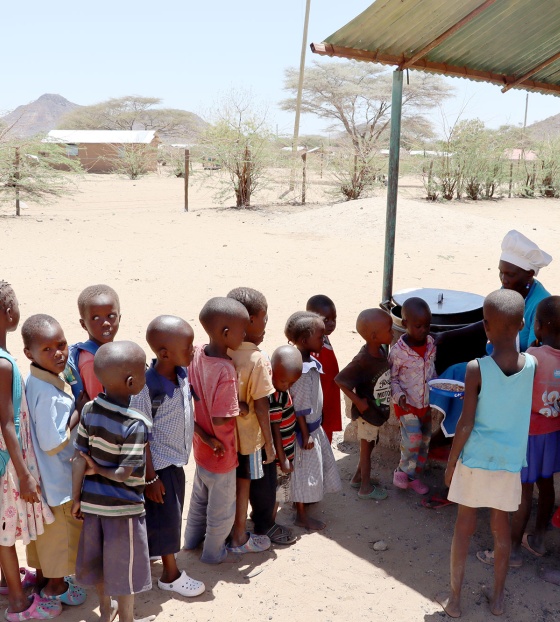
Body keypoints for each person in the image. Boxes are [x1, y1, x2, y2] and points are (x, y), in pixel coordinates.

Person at [437, 290, 536, 618]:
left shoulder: (476, 368)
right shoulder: (532, 365)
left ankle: (454, 600)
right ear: (522, 323)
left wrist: (451, 464)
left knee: (463, 529)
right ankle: (497, 600)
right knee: (501, 529)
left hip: (475, 460)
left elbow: (464, 424)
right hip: (508, 464)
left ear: (485, 326)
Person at [433, 230, 552, 436]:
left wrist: (490, 369)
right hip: (496, 360)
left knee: (462, 374)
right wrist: (447, 336)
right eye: (501, 272)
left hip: (515, 372)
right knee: (450, 359)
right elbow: (490, 322)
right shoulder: (509, 289)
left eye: (510, 274)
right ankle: (443, 429)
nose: (503, 279)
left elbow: (534, 355)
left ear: (529, 275)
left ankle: (453, 432)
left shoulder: (540, 304)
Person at [72, 341, 154, 622]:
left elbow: (79, 458)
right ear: (132, 382)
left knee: (102, 565)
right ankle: (127, 619)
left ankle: (106, 611)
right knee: (125, 570)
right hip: (124, 510)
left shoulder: (89, 410)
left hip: (93, 505)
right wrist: (101, 470)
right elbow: (122, 474)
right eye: (144, 371)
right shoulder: (136, 424)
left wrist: (75, 499)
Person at [477, 296, 560, 568]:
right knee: (545, 485)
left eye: (535, 321)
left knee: (523, 492)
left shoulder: (533, 357)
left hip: (530, 434)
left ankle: (511, 551)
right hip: (553, 434)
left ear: (542, 326)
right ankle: (537, 539)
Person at [130, 316, 205, 597]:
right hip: (159, 467)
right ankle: (170, 574)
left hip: (176, 461)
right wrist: (150, 478)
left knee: (162, 516)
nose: (193, 349)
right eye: (187, 346)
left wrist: (205, 437)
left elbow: (187, 412)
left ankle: (152, 556)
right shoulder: (148, 387)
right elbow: (141, 435)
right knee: (170, 518)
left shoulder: (182, 374)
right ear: (163, 353)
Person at [0, 282, 60, 622]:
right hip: (8, 463)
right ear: (9, 313)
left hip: (6, 458)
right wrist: (24, 475)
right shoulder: (4, 365)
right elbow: (7, 424)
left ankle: (7, 583)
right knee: (4, 535)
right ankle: (19, 604)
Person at [22, 314, 87, 607]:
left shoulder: (37, 380)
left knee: (50, 541)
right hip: (58, 481)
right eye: (47, 349)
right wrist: (80, 411)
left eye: (61, 344)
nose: (58, 353)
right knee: (63, 541)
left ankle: (47, 582)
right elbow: (53, 442)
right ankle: (54, 592)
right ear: (29, 354)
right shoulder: (48, 394)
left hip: (46, 480)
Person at [183, 297, 249, 564]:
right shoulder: (225, 369)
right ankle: (213, 554)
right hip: (223, 453)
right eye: (241, 331)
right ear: (225, 333)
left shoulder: (197, 353)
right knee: (221, 512)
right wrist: (242, 407)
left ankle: (189, 542)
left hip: (203, 448)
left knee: (199, 500)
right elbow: (222, 419)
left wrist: (205, 436)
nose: (245, 336)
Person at [285, 311, 341, 531]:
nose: (324, 339)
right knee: (302, 472)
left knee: (311, 469)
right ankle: (300, 515)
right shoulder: (299, 369)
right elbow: (299, 408)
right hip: (305, 433)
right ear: (303, 340)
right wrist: (306, 435)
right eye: (320, 337)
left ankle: (305, 505)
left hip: (313, 428)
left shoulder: (311, 362)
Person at [335, 309, 392, 500]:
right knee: (366, 450)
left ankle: (357, 478)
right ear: (375, 336)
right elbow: (340, 380)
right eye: (389, 329)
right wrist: (358, 401)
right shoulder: (362, 360)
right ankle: (365, 488)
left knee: (372, 443)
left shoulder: (381, 350)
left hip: (377, 412)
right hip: (367, 415)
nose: (392, 333)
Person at [389, 297, 436, 494]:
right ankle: (401, 472)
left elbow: (431, 369)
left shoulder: (431, 343)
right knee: (413, 439)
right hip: (406, 404)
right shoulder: (398, 352)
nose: (424, 330)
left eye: (427, 325)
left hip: (425, 403)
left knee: (425, 439)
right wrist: (399, 396)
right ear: (405, 324)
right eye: (418, 326)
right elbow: (391, 379)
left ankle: (414, 475)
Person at [64, 284, 121, 400]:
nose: (105, 323)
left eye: (111, 316)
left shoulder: (108, 351)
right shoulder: (92, 362)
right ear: (83, 324)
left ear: (119, 318)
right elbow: (97, 406)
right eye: (95, 318)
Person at [268, 345, 302, 525]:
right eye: (283, 382)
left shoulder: (281, 390)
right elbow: (275, 431)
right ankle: (271, 523)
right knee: (278, 492)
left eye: (291, 383)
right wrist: (284, 459)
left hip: (285, 453)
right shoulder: (276, 397)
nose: (287, 386)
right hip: (281, 458)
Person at [306, 295, 341, 444]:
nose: (332, 323)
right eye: (326, 320)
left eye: (334, 318)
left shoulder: (322, 338)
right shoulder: (311, 348)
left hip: (328, 399)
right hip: (319, 406)